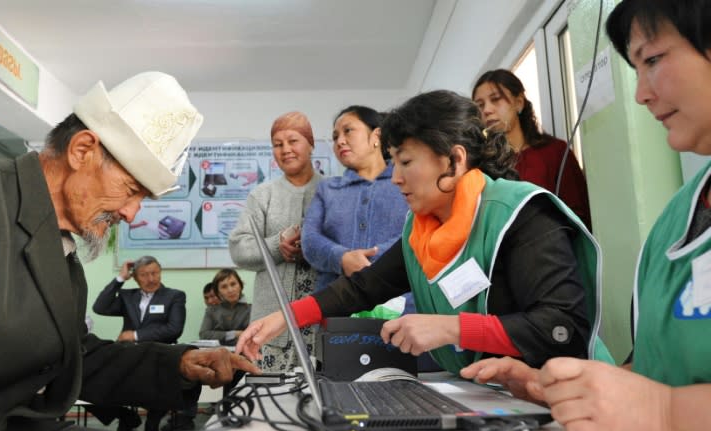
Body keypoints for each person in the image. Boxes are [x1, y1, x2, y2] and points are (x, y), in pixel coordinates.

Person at [0, 71, 259, 431]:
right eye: (130, 191)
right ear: (82, 150)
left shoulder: (64, 259)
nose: (131, 213)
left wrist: (179, 363)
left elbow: (77, 358)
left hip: (0, 427)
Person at [460, 0, 711, 431]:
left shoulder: (550, 159)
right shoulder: (678, 219)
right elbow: (655, 371)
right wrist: (566, 389)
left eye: (653, 59)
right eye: (636, 68)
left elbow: (658, 401)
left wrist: (663, 412)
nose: (641, 93)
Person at [238, 89, 609, 377]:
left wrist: (453, 329)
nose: (396, 178)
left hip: (570, 399)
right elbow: (362, 287)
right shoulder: (424, 229)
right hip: (494, 397)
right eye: (394, 162)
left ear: (454, 159)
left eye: (406, 162)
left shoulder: (522, 216)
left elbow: (561, 328)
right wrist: (284, 317)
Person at [229, 111, 321, 371]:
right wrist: (277, 245)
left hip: (322, 322)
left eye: (293, 141)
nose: (286, 150)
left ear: (311, 144)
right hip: (272, 328)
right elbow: (239, 248)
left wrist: (314, 249)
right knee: (272, 399)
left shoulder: (331, 190)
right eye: (278, 144)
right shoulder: (262, 195)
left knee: (325, 399)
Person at [302, 105, 409, 291]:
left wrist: (371, 260)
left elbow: (418, 232)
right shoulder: (327, 188)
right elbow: (310, 240)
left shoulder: (406, 180)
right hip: (336, 302)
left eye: (348, 131)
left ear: (376, 136)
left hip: (400, 302)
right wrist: (342, 258)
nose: (340, 141)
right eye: (335, 137)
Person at [472, 69, 592, 230]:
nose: (486, 110)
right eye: (480, 105)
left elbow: (579, 216)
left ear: (519, 103)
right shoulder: (479, 167)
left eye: (496, 99)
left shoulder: (554, 152)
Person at [91, 255, 187, 431]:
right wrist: (120, 280)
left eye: (154, 273)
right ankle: (126, 417)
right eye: (144, 275)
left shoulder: (174, 296)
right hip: (128, 354)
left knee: (161, 381)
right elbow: (99, 307)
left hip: (159, 353)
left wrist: (135, 335)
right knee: (95, 379)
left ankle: (152, 424)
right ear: (135, 277)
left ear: (160, 272)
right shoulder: (128, 297)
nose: (151, 279)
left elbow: (174, 328)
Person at [199, 269, 252, 347]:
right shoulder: (211, 310)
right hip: (217, 354)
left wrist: (219, 336)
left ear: (240, 285)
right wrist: (235, 334)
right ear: (218, 292)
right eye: (224, 287)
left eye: (233, 284)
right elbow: (204, 334)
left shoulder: (251, 309)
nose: (230, 290)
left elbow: (253, 337)